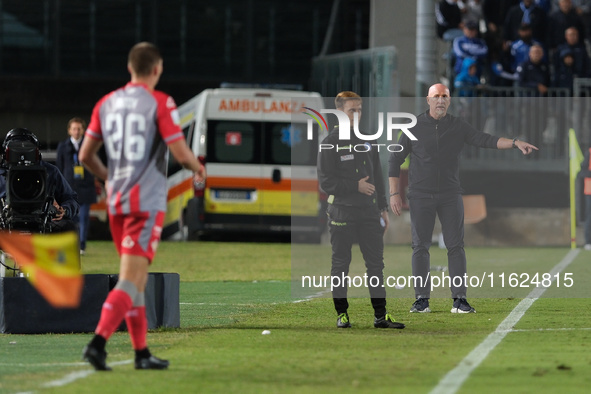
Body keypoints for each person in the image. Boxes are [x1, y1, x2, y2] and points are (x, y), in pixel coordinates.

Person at [79, 42, 206, 371]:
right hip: (144, 204)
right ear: (157, 69)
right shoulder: (160, 102)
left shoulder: (106, 103)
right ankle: (98, 342)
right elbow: (180, 153)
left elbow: (85, 155)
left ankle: (140, 353)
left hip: (117, 203)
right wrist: (198, 167)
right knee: (130, 280)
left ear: (130, 68)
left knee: (136, 279)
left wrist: (109, 177)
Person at [388, 83, 538, 314]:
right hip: (420, 195)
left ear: (449, 101)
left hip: (450, 194)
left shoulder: (458, 126)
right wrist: (394, 193)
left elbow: (485, 139)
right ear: (428, 100)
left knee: (456, 246)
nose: (440, 100)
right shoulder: (413, 126)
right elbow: (394, 160)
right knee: (420, 247)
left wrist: (515, 143)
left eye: (444, 97)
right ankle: (421, 300)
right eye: (436, 96)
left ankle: (460, 300)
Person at [317, 91, 404, 330]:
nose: (356, 114)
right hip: (341, 213)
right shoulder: (329, 143)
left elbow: (377, 174)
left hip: (368, 213)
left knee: (376, 265)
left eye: (359, 110)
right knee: (341, 264)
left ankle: (380, 315)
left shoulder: (369, 139)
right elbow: (325, 183)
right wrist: (355, 186)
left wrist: (382, 208)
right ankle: (342, 314)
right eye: (351, 110)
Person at [0, 128, 79, 233]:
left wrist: (64, 210)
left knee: (67, 228)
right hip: (4, 222)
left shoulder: (50, 171)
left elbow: (70, 198)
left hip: (42, 221)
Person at [56, 118, 97, 254]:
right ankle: (70, 245)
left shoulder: (89, 145)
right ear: (69, 130)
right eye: (74, 129)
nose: (76, 131)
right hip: (69, 188)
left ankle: (82, 246)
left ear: (83, 130)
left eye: (79, 129)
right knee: (70, 218)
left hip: (85, 187)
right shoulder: (63, 146)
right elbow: (59, 167)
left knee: (84, 218)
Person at [580, 146, 591, 250]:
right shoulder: (589, 152)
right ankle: (588, 242)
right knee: (589, 217)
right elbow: (583, 171)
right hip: (590, 191)